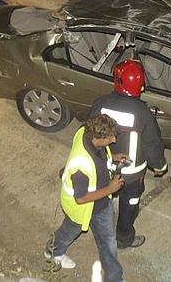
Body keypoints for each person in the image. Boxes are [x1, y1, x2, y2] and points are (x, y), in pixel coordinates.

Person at [89, 59, 167, 249]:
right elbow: (152, 144)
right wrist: (160, 166)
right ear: (141, 85)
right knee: (130, 205)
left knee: (100, 199)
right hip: (131, 176)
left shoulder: (101, 103)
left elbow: (88, 132)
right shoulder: (142, 112)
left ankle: (100, 232)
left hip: (104, 167)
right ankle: (124, 238)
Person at [45, 114, 125, 282]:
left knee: (108, 242)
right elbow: (81, 199)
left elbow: (100, 153)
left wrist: (113, 157)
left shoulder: (85, 132)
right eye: (110, 138)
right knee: (69, 232)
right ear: (98, 137)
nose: (114, 140)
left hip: (102, 204)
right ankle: (53, 252)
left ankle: (114, 279)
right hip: (82, 208)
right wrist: (111, 188)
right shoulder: (81, 164)